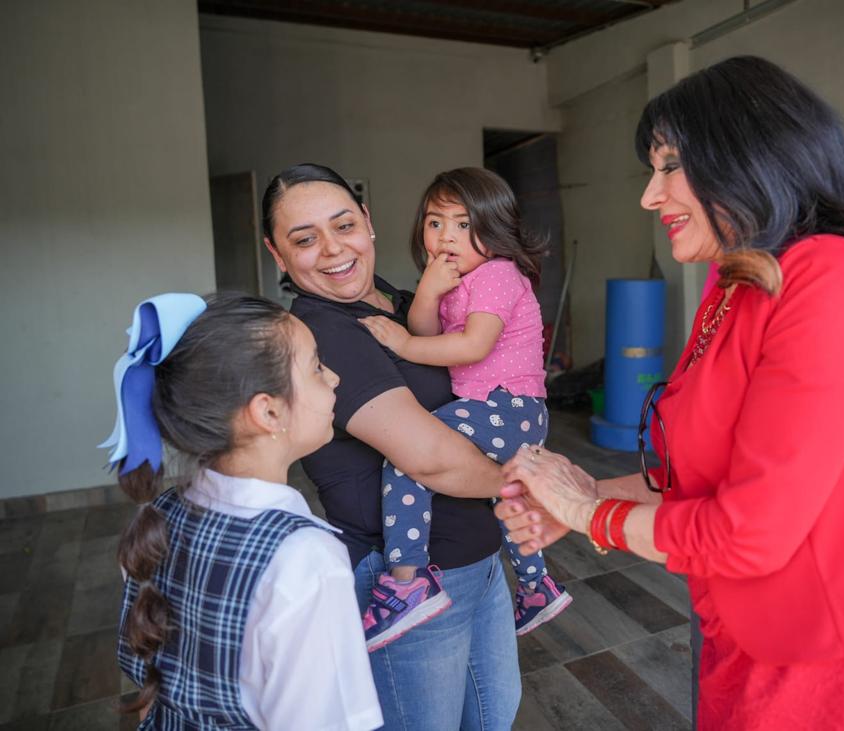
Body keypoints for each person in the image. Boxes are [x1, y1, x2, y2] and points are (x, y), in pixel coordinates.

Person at [496, 56, 844, 729]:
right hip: (744, 636)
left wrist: (590, 512)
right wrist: (585, 496)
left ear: (750, 156)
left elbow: (751, 531)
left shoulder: (834, 278)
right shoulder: (736, 283)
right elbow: (713, 477)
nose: (649, 197)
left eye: (669, 166)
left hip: (842, 663)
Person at [262, 163, 520, 730]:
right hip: (408, 580)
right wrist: (538, 480)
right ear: (278, 256)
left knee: (493, 720)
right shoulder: (320, 331)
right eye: (304, 239)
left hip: (478, 558)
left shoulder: (411, 305)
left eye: (344, 224)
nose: (333, 249)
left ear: (368, 223)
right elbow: (429, 456)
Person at [103, 292, 381, 730]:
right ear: (268, 411)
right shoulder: (306, 559)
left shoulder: (157, 517)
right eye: (315, 366)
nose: (335, 378)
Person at [358, 167, 571, 649]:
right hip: (502, 410)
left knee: (409, 456)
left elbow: (473, 345)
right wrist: (429, 292)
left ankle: (406, 580)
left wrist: (405, 346)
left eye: (462, 223)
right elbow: (432, 333)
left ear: (493, 230)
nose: (446, 236)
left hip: (508, 407)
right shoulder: (457, 279)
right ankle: (538, 587)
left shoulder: (497, 274)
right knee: (504, 493)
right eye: (435, 223)